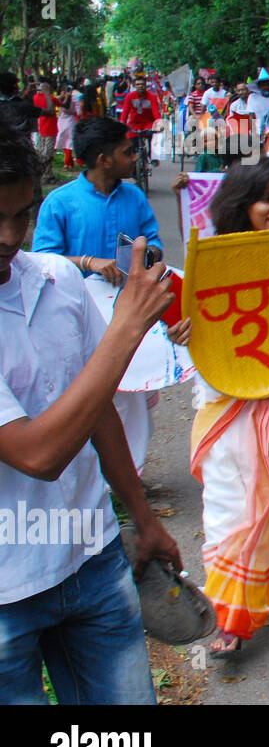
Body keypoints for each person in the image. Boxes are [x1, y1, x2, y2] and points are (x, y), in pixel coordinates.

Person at [0, 121, 181, 704]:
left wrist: (141, 516)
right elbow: (39, 453)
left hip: (92, 558)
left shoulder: (55, 282)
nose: (8, 237)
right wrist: (125, 333)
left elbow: (98, 409)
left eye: (21, 217)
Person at [166, 159, 269, 656]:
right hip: (226, 394)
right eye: (266, 199)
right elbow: (193, 321)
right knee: (230, 497)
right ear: (241, 206)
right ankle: (229, 612)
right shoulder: (212, 256)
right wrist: (181, 330)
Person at [33, 117, 164, 478]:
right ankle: (89, 475)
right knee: (83, 395)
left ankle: (130, 479)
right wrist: (89, 262)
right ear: (104, 160)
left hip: (126, 314)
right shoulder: (59, 203)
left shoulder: (134, 197)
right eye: (126, 151)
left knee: (133, 393)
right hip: (74, 318)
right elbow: (42, 260)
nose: (134, 156)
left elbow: (154, 242)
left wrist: (143, 254)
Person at [120, 72, 163, 166]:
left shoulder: (152, 97)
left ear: (146, 85)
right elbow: (125, 112)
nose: (140, 86)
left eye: (142, 84)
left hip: (148, 123)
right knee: (131, 144)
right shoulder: (129, 96)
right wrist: (122, 123)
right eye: (138, 84)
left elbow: (156, 112)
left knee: (154, 137)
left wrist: (159, 124)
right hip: (134, 124)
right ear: (134, 86)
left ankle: (153, 156)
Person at [30, 80, 59, 183]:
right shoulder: (51, 99)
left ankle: (43, 174)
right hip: (51, 129)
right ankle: (47, 175)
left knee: (42, 152)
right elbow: (62, 105)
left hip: (41, 127)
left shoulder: (35, 97)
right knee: (48, 153)